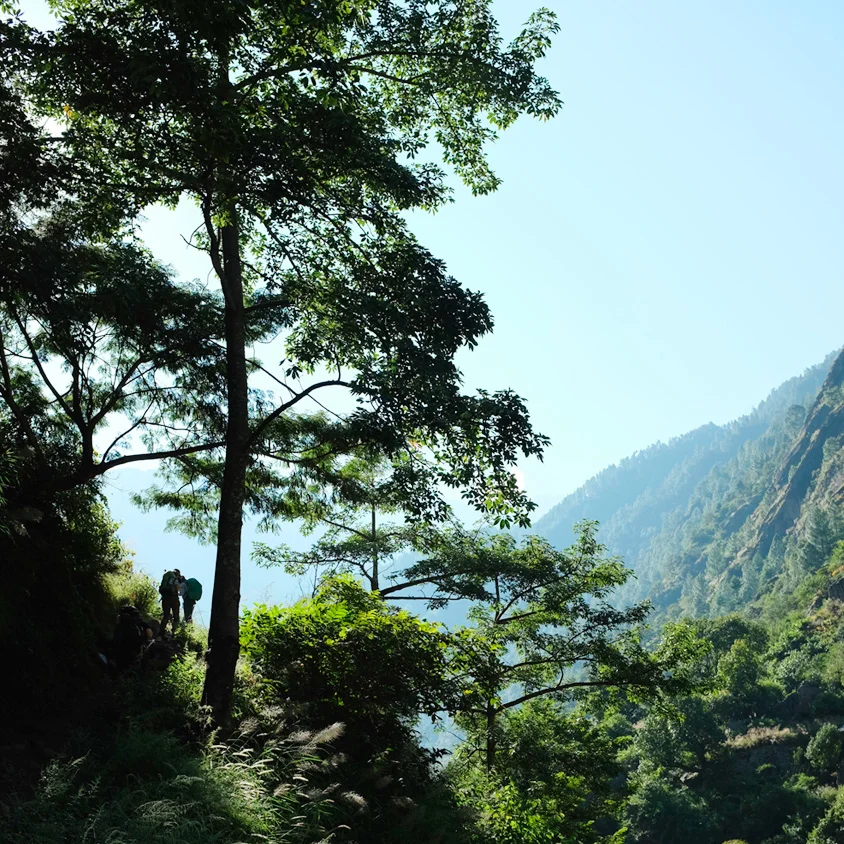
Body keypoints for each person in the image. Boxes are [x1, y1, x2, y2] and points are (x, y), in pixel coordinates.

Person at [159, 568, 181, 634]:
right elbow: (178, 588)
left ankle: (161, 632)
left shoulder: (167, 576)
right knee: (176, 616)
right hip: (174, 598)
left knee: (166, 615)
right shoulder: (175, 578)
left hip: (165, 598)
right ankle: (174, 633)